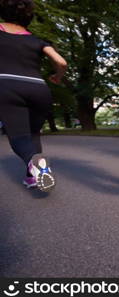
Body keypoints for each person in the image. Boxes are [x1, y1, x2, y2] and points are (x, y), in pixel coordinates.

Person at [0, 0, 67, 191]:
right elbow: (61, 62)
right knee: (33, 134)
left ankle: (33, 162)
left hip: (7, 86)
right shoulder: (37, 41)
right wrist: (57, 77)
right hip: (38, 88)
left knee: (19, 136)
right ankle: (34, 176)